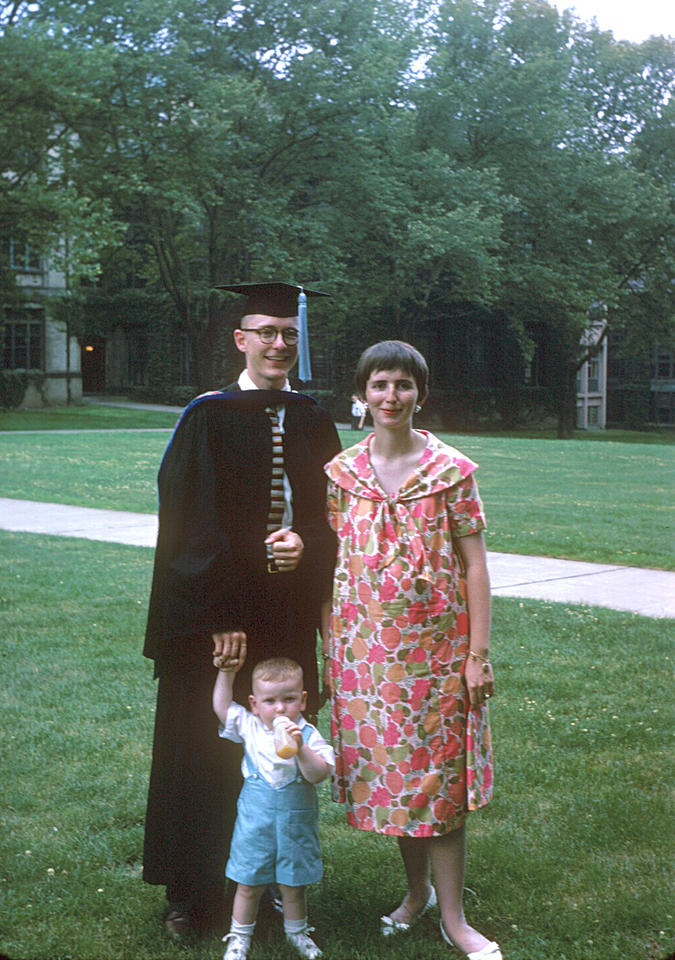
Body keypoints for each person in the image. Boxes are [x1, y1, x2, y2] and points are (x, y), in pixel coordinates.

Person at [142, 281, 341, 939]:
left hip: (284, 610)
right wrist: (218, 614)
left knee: (279, 750)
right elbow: (189, 523)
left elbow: (336, 514)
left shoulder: (312, 416)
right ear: (241, 339)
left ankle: (278, 884)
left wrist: (306, 543)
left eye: (287, 333)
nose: (278, 344)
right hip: (215, 614)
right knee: (202, 744)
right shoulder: (208, 414)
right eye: (265, 332)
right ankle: (191, 890)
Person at [322, 341, 503, 960]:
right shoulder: (342, 474)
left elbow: (475, 568)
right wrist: (332, 647)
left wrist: (478, 655)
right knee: (400, 779)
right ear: (362, 394)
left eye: (402, 385)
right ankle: (416, 893)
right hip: (369, 657)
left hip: (440, 653)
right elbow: (335, 563)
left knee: (442, 782)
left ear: (419, 393)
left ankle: (455, 918)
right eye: (379, 385)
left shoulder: (451, 471)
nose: (390, 397)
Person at [212, 649, 334, 960]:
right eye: (270, 701)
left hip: (295, 823)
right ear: (255, 704)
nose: (280, 707)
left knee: (293, 884)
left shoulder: (308, 734)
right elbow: (222, 707)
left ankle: (297, 933)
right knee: (248, 880)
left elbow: (318, 774)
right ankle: (239, 938)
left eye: (289, 699)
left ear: (303, 701)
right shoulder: (250, 726)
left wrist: (301, 748)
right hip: (256, 820)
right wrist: (227, 673)